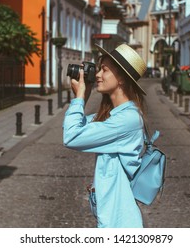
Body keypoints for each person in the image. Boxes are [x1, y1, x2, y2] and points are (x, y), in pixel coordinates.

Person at [63, 43, 147, 228]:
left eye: (104, 70)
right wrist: (82, 98)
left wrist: (78, 98)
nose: (98, 75)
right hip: (110, 217)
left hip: (120, 222)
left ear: (122, 79)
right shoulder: (113, 115)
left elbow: (71, 136)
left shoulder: (127, 120)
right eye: (99, 69)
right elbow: (79, 128)